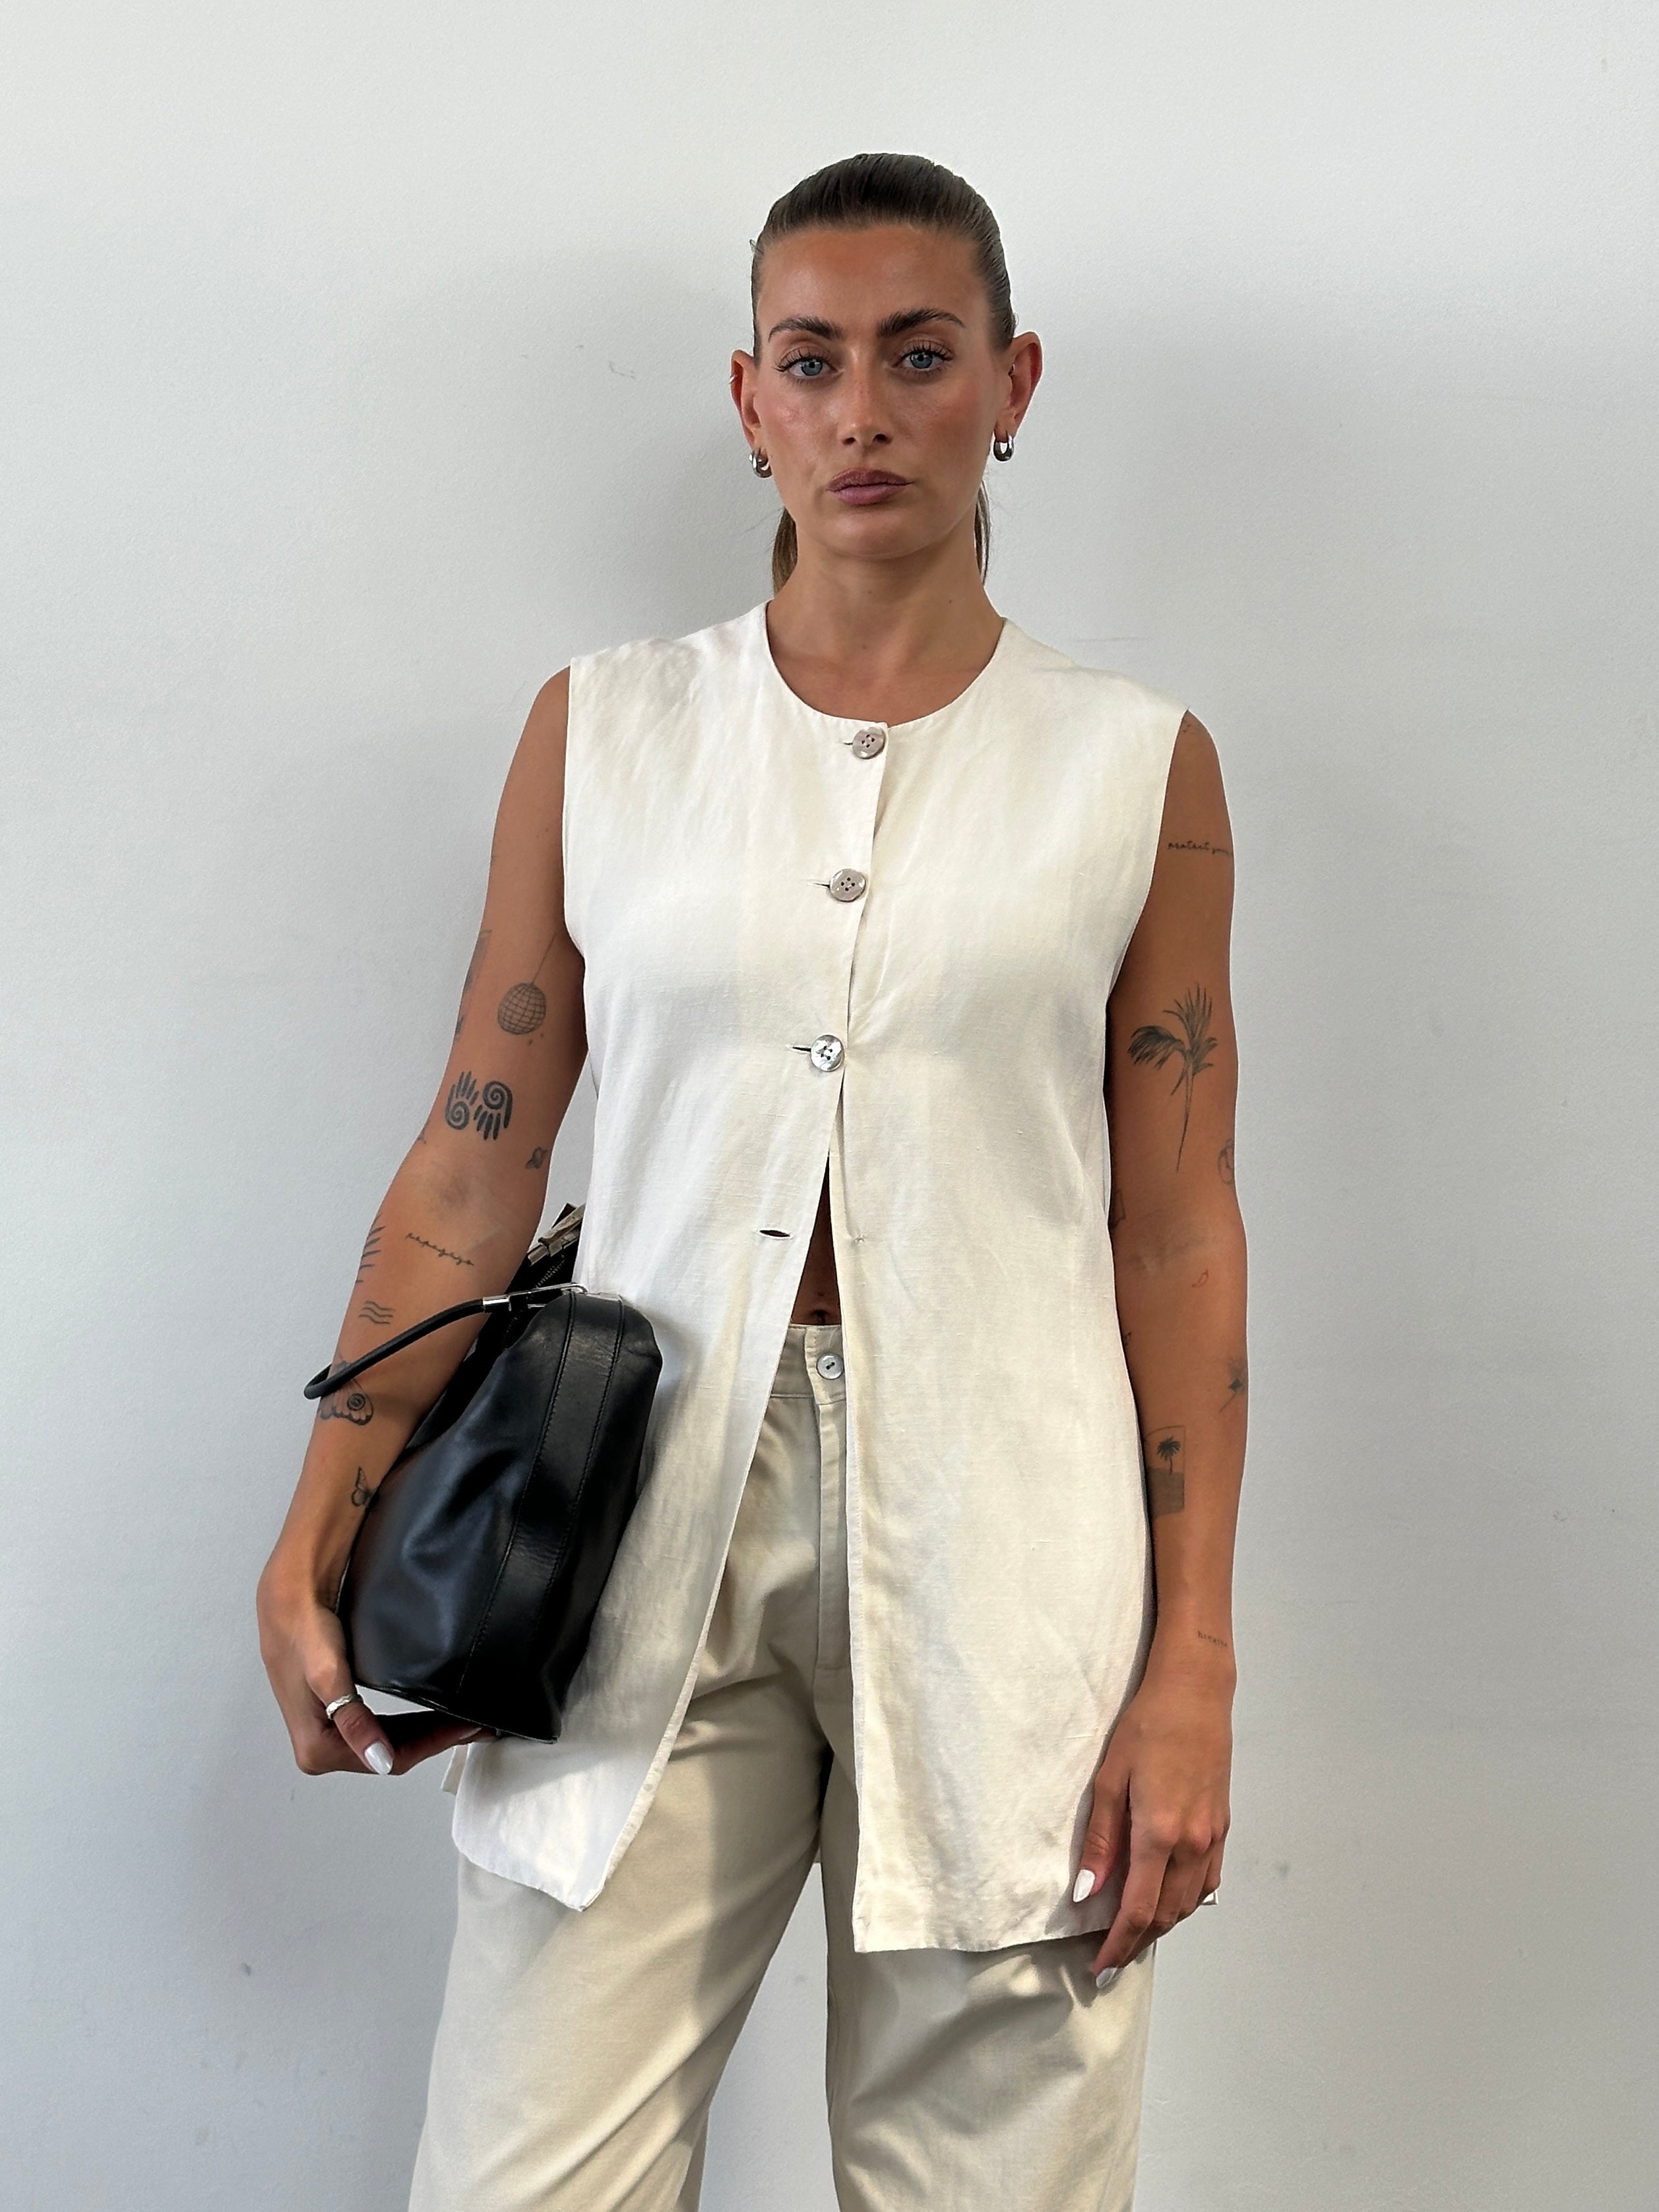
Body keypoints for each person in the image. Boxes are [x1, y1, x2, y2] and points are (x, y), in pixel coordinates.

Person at [257, 150, 1247, 2211]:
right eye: (811, 360)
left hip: (1012, 1537)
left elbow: (1172, 1227)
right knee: (528, 2173)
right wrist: (323, 1504)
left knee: (996, 2179)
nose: (862, 411)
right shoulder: (605, 733)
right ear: (747, 398)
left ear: (1012, 382)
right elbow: (477, 1147)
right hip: (626, 1516)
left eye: (918, 354)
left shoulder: (1132, 767)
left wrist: (1193, 1661)